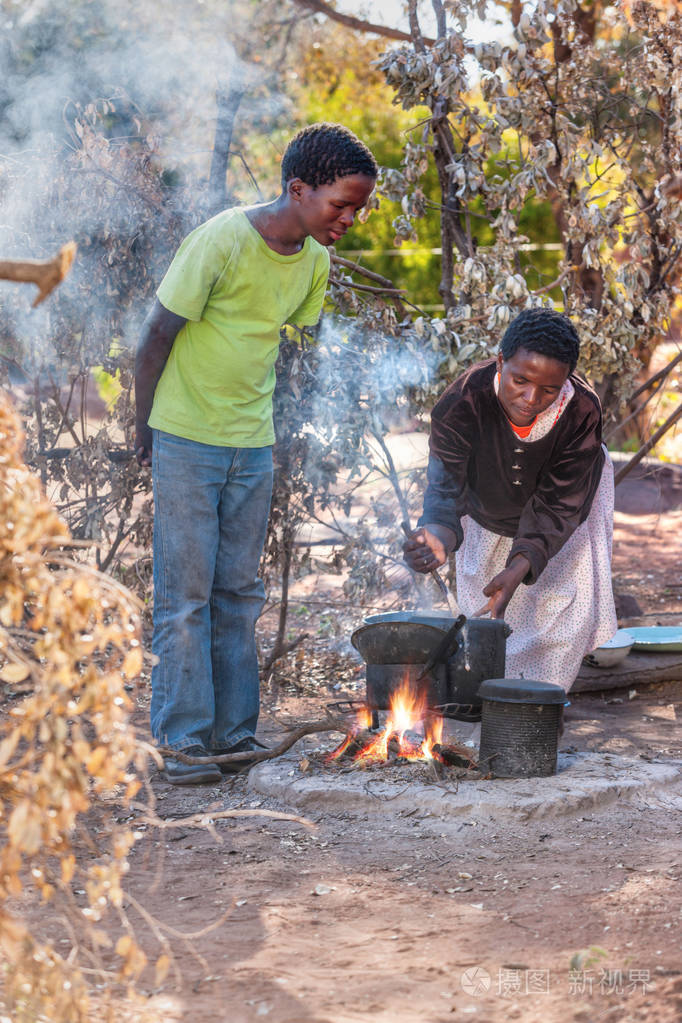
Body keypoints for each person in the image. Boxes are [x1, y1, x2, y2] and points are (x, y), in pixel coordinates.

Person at [135, 123, 377, 784]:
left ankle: (234, 736)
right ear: (298, 189)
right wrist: (143, 432)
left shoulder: (315, 262)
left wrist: (285, 430)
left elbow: (280, 347)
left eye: (358, 208)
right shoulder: (220, 240)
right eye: (340, 205)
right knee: (184, 597)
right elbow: (155, 336)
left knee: (238, 594)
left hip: (252, 447)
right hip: (186, 439)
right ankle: (183, 746)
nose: (349, 219)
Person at [403, 307, 617, 696]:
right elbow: (445, 489)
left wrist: (519, 566)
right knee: (487, 620)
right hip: (487, 511)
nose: (532, 398)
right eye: (520, 380)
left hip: (564, 516)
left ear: (565, 382)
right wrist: (437, 537)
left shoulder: (581, 410)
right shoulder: (462, 401)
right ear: (501, 360)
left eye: (549, 389)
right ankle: (499, 706)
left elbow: (558, 504)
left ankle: (543, 706)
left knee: (558, 614)